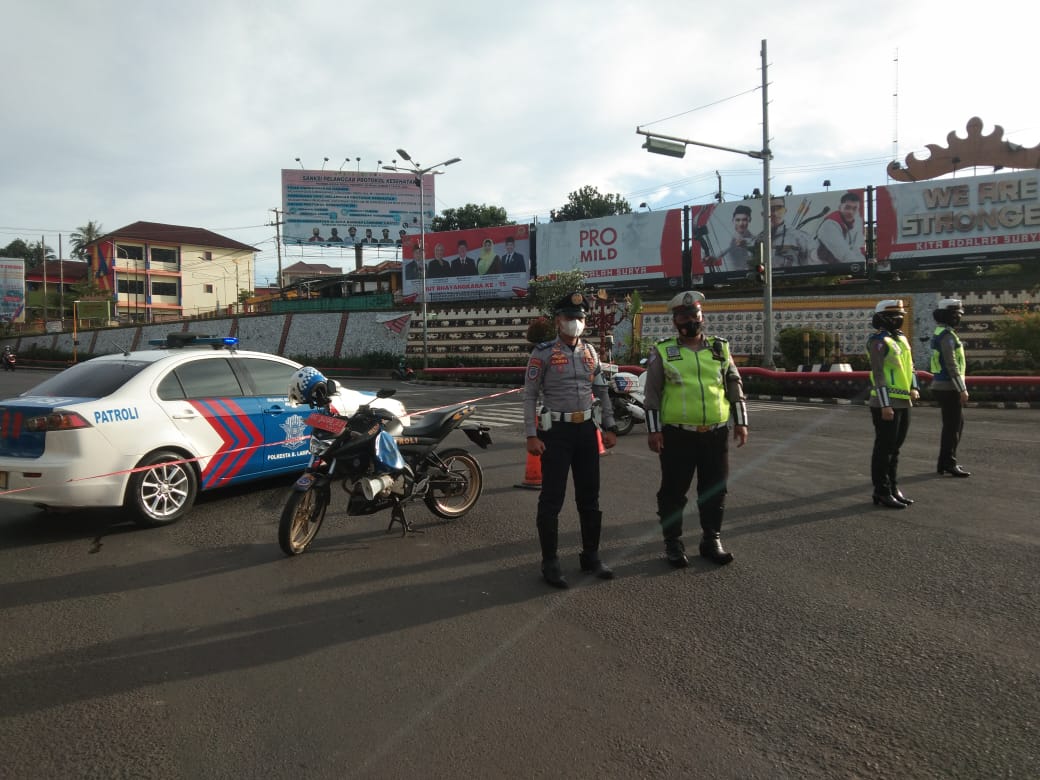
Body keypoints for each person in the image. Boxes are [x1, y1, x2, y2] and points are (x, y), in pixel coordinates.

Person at [643, 290, 748, 567]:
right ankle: (673, 542)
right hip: (678, 435)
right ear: (675, 322)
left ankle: (711, 538)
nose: (690, 320)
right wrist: (653, 431)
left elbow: (734, 384)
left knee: (715, 488)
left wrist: (742, 422)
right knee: (673, 492)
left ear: (702, 317)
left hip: (715, 432)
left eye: (694, 315)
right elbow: (652, 395)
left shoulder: (719, 347)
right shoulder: (663, 350)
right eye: (683, 316)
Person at [523, 292, 618, 588]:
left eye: (579, 318)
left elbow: (601, 390)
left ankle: (590, 555)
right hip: (556, 434)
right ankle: (549, 562)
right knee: (552, 498)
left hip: (586, 432)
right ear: (558, 321)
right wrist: (530, 435)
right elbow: (529, 395)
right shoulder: (543, 353)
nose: (575, 323)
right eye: (569, 317)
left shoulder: (590, 353)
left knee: (590, 497)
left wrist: (610, 425)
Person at [867, 299, 920, 509]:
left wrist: (914, 386)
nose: (898, 319)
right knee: (884, 449)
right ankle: (881, 490)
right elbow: (878, 374)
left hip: (904, 400)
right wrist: (885, 404)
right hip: (885, 402)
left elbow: (911, 366)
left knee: (895, 448)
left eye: (900, 315)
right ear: (881, 319)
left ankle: (893, 488)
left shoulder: (901, 339)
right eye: (892, 316)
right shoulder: (878, 342)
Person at [930, 298, 971, 477]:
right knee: (953, 427)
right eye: (957, 315)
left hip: (943, 385)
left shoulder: (941, 332)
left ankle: (944, 462)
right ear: (950, 316)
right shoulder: (947, 336)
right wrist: (962, 389)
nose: (959, 318)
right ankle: (949, 463)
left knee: (953, 425)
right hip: (948, 387)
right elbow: (951, 364)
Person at [817, 191, 865, 264]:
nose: (850, 212)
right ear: (840, 207)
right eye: (847, 207)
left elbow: (855, 250)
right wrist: (861, 266)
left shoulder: (848, 225)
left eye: (854, 209)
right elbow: (844, 255)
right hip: (821, 271)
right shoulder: (830, 225)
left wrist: (864, 264)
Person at [767, 198, 815, 268]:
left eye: (779, 208)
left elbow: (810, 264)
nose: (775, 213)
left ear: (785, 210)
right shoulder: (758, 239)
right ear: (763, 213)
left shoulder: (800, 237)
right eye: (771, 209)